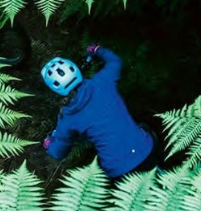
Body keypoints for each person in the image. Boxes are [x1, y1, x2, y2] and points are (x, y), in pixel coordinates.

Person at [41, 46, 161, 179]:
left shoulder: (67, 117)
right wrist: (97, 50)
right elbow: (115, 61)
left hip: (118, 169)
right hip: (147, 148)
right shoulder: (103, 80)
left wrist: (49, 144)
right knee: (145, 126)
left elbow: (58, 152)